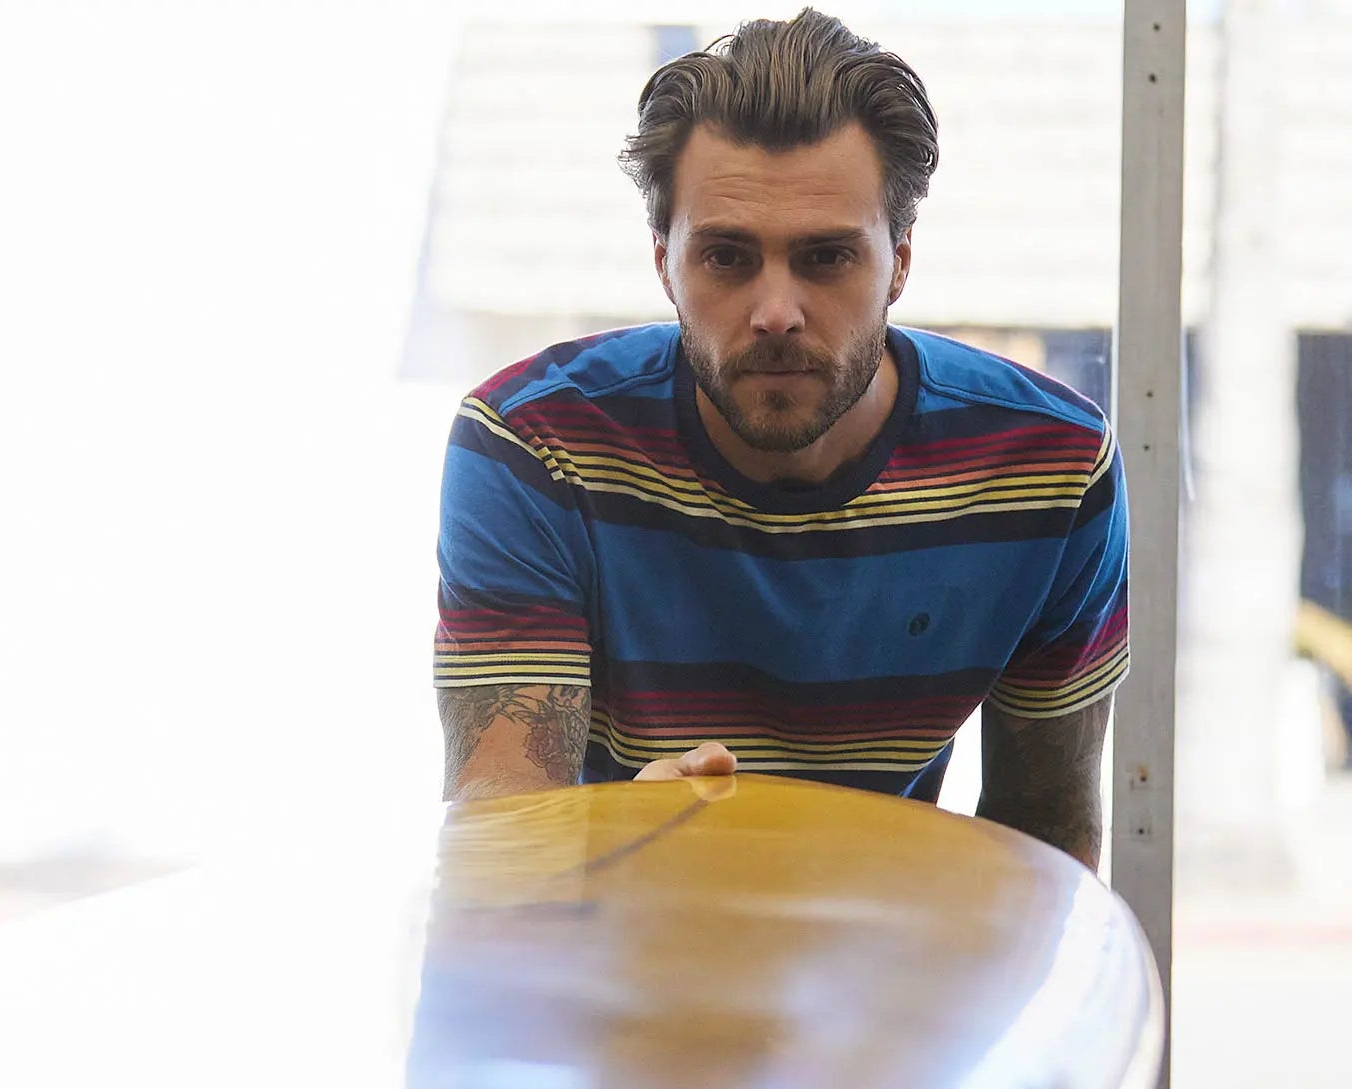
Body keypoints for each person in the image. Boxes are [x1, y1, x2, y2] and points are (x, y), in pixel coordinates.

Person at [433, 9, 1128, 869]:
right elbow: (501, 843)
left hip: (891, 975)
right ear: (664, 263)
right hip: (597, 963)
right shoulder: (535, 447)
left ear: (899, 261)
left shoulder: (1045, 467)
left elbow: (1046, 846)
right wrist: (607, 838)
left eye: (826, 258)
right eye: (725, 257)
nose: (774, 313)